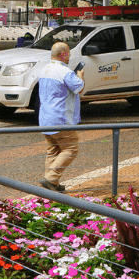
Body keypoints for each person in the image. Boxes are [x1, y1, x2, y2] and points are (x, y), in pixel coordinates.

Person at [37, 41, 85, 192]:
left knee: (53, 150)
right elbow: (79, 88)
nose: (69, 57)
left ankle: (52, 185)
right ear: (63, 55)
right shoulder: (64, 71)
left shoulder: (44, 69)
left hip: (45, 118)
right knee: (71, 148)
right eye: (69, 54)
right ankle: (50, 178)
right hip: (61, 119)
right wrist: (81, 75)